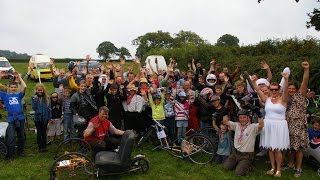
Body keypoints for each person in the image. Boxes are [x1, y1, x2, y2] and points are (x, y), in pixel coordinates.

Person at [251, 72, 290, 177]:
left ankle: (278, 170)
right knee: (270, 148)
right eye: (271, 89)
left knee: (277, 149)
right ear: (269, 89)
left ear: (278, 90)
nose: (273, 91)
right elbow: (258, 90)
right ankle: (272, 167)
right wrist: (254, 82)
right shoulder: (266, 99)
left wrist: (286, 79)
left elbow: (286, 91)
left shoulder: (283, 100)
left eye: (275, 89)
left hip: (279, 126)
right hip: (268, 125)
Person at [285, 61, 310, 177]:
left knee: (299, 147)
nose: (291, 90)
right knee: (291, 147)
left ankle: (298, 168)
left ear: (296, 88)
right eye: (289, 88)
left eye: (292, 88)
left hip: (299, 125)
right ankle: (290, 164)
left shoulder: (300, 95)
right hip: (289, 125)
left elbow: (305, 82)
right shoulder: (286, 98)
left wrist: (306, 70)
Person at [223, 110, 264, 176]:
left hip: (246, 155)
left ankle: (248, 164)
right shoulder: (236, 125)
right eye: (240, 117)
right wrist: (224, 112)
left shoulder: (253, 127)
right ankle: (239, 164)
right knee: (226, 167)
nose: (242, 119)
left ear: (248, 118)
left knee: (239, 173)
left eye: (244, 117)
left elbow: (261, 125)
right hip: (236, 153)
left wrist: (259, 115)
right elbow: (225, 122)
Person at [0, 72, 26, 159]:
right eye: (12, 87)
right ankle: (11, 154)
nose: (13, 88)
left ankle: (20, 151)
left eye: (15, 87)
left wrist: (19, 78)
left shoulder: (19, 95)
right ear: (9, 88)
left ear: (17, 88)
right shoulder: (5, 96)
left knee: (21, 135)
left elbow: (25, 87)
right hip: (11, 118)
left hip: (20, 117)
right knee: (11, 136)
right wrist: (1, 77)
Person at [31, 83, 51, 153]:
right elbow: (34, 108)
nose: (40, 91)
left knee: (44, 132)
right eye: (38, 90)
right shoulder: (34, 98)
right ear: (36, 90)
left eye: (41, 90)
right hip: (37, 118)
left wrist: (49, 118)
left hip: (45, 118)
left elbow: (49, 109)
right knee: (39, 133)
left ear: (43, 90)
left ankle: (44, 146)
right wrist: (35, 101)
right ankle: (40, 147)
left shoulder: (47, 97)